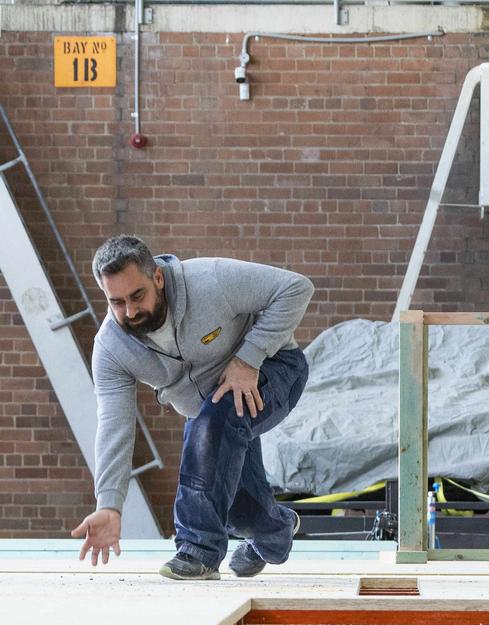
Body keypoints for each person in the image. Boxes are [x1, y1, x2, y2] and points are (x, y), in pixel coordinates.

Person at [71, 235, 313, 580]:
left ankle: (197, 550)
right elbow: (114, 424)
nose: (131, 311)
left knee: (211, 419)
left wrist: (249, 358)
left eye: (137, 296)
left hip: (276, 370)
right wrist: (109, 504)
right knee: (240, 513)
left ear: (157, 277)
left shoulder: (210, 280)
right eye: (117, 302)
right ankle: (274, 532)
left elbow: (296, 288)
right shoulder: (111, 349)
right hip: (214, 417)